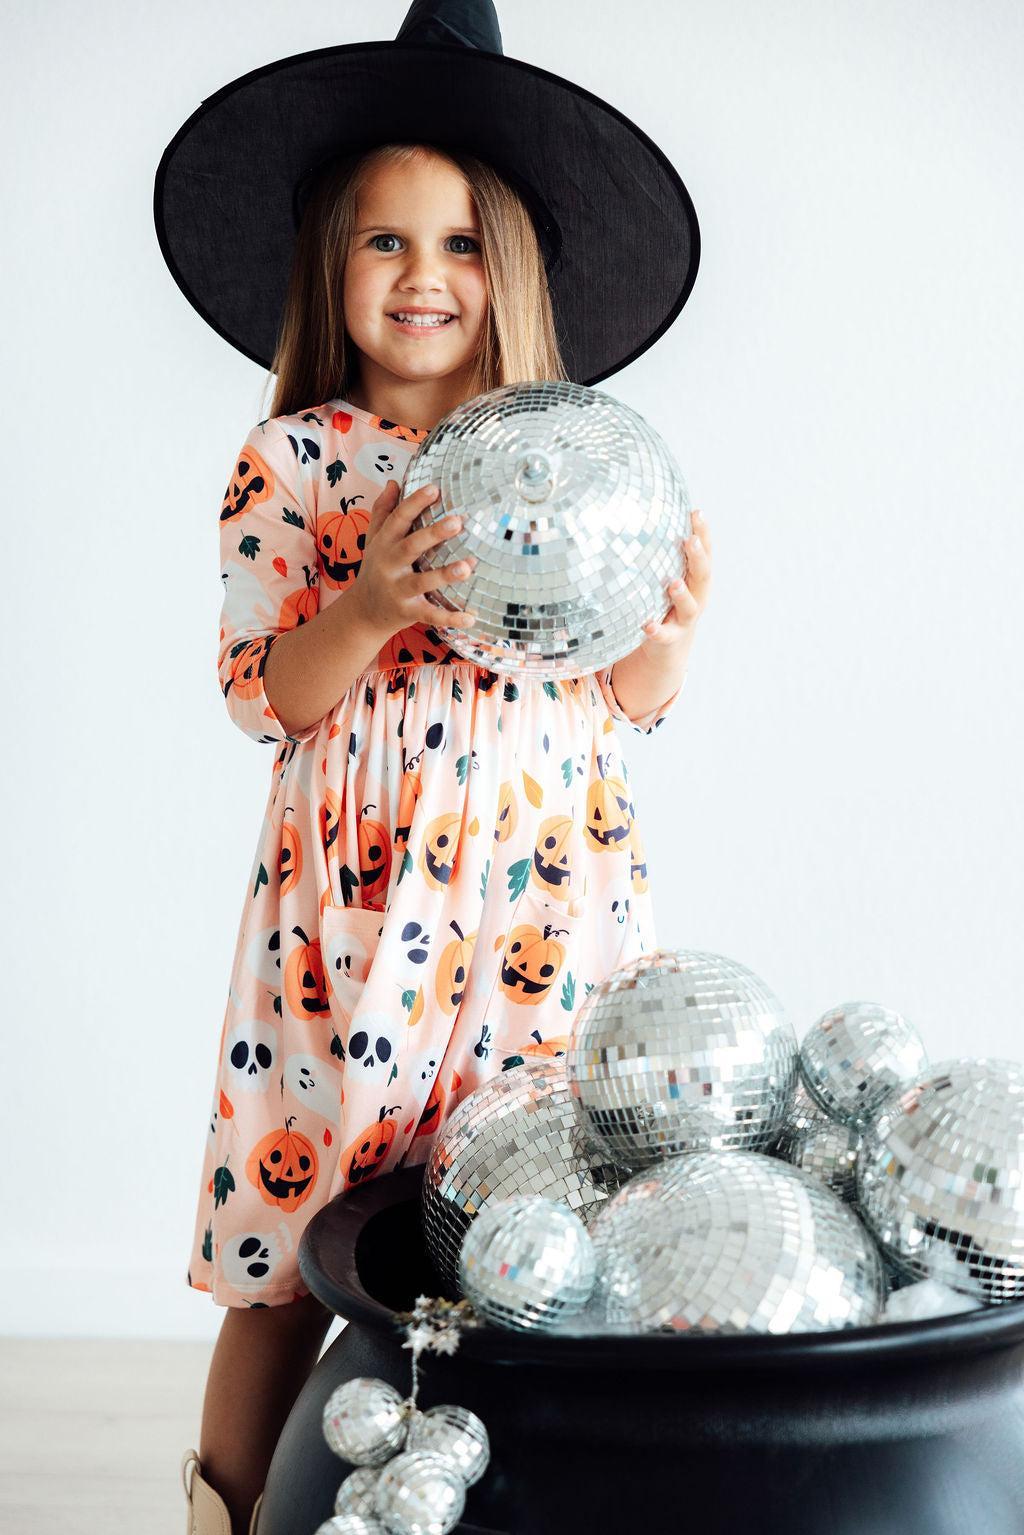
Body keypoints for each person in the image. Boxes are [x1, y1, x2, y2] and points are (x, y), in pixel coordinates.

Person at [160, 5, 711, 1533]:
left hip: (545, 902)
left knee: (535, 1229)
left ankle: (529, 1500)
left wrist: (669, 640)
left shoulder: (573, 469)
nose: (424, 274)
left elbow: (623, 699)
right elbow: (265, 693)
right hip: (354, 914)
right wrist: (369, 605)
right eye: (386, 242)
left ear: (510, 269)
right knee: (290, 1248)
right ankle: (222, 1512)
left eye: (462, 243)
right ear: (331, 269)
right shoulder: (297, 464)